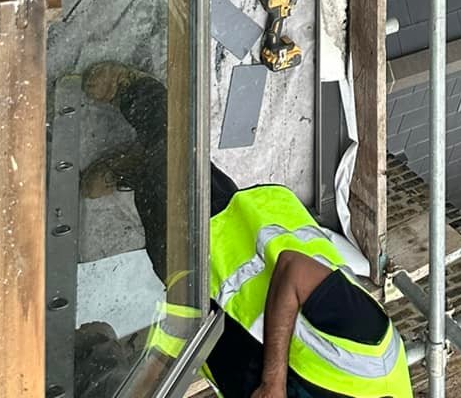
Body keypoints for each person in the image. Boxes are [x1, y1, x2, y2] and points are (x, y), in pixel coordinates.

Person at [78, 64, 409, 398]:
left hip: (204, 301)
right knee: (174, 159)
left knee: (157, 218)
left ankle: (140, 169)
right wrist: (273, 380)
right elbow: (294, 269)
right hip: (229, 234)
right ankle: (134, 90)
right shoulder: (371, 359)